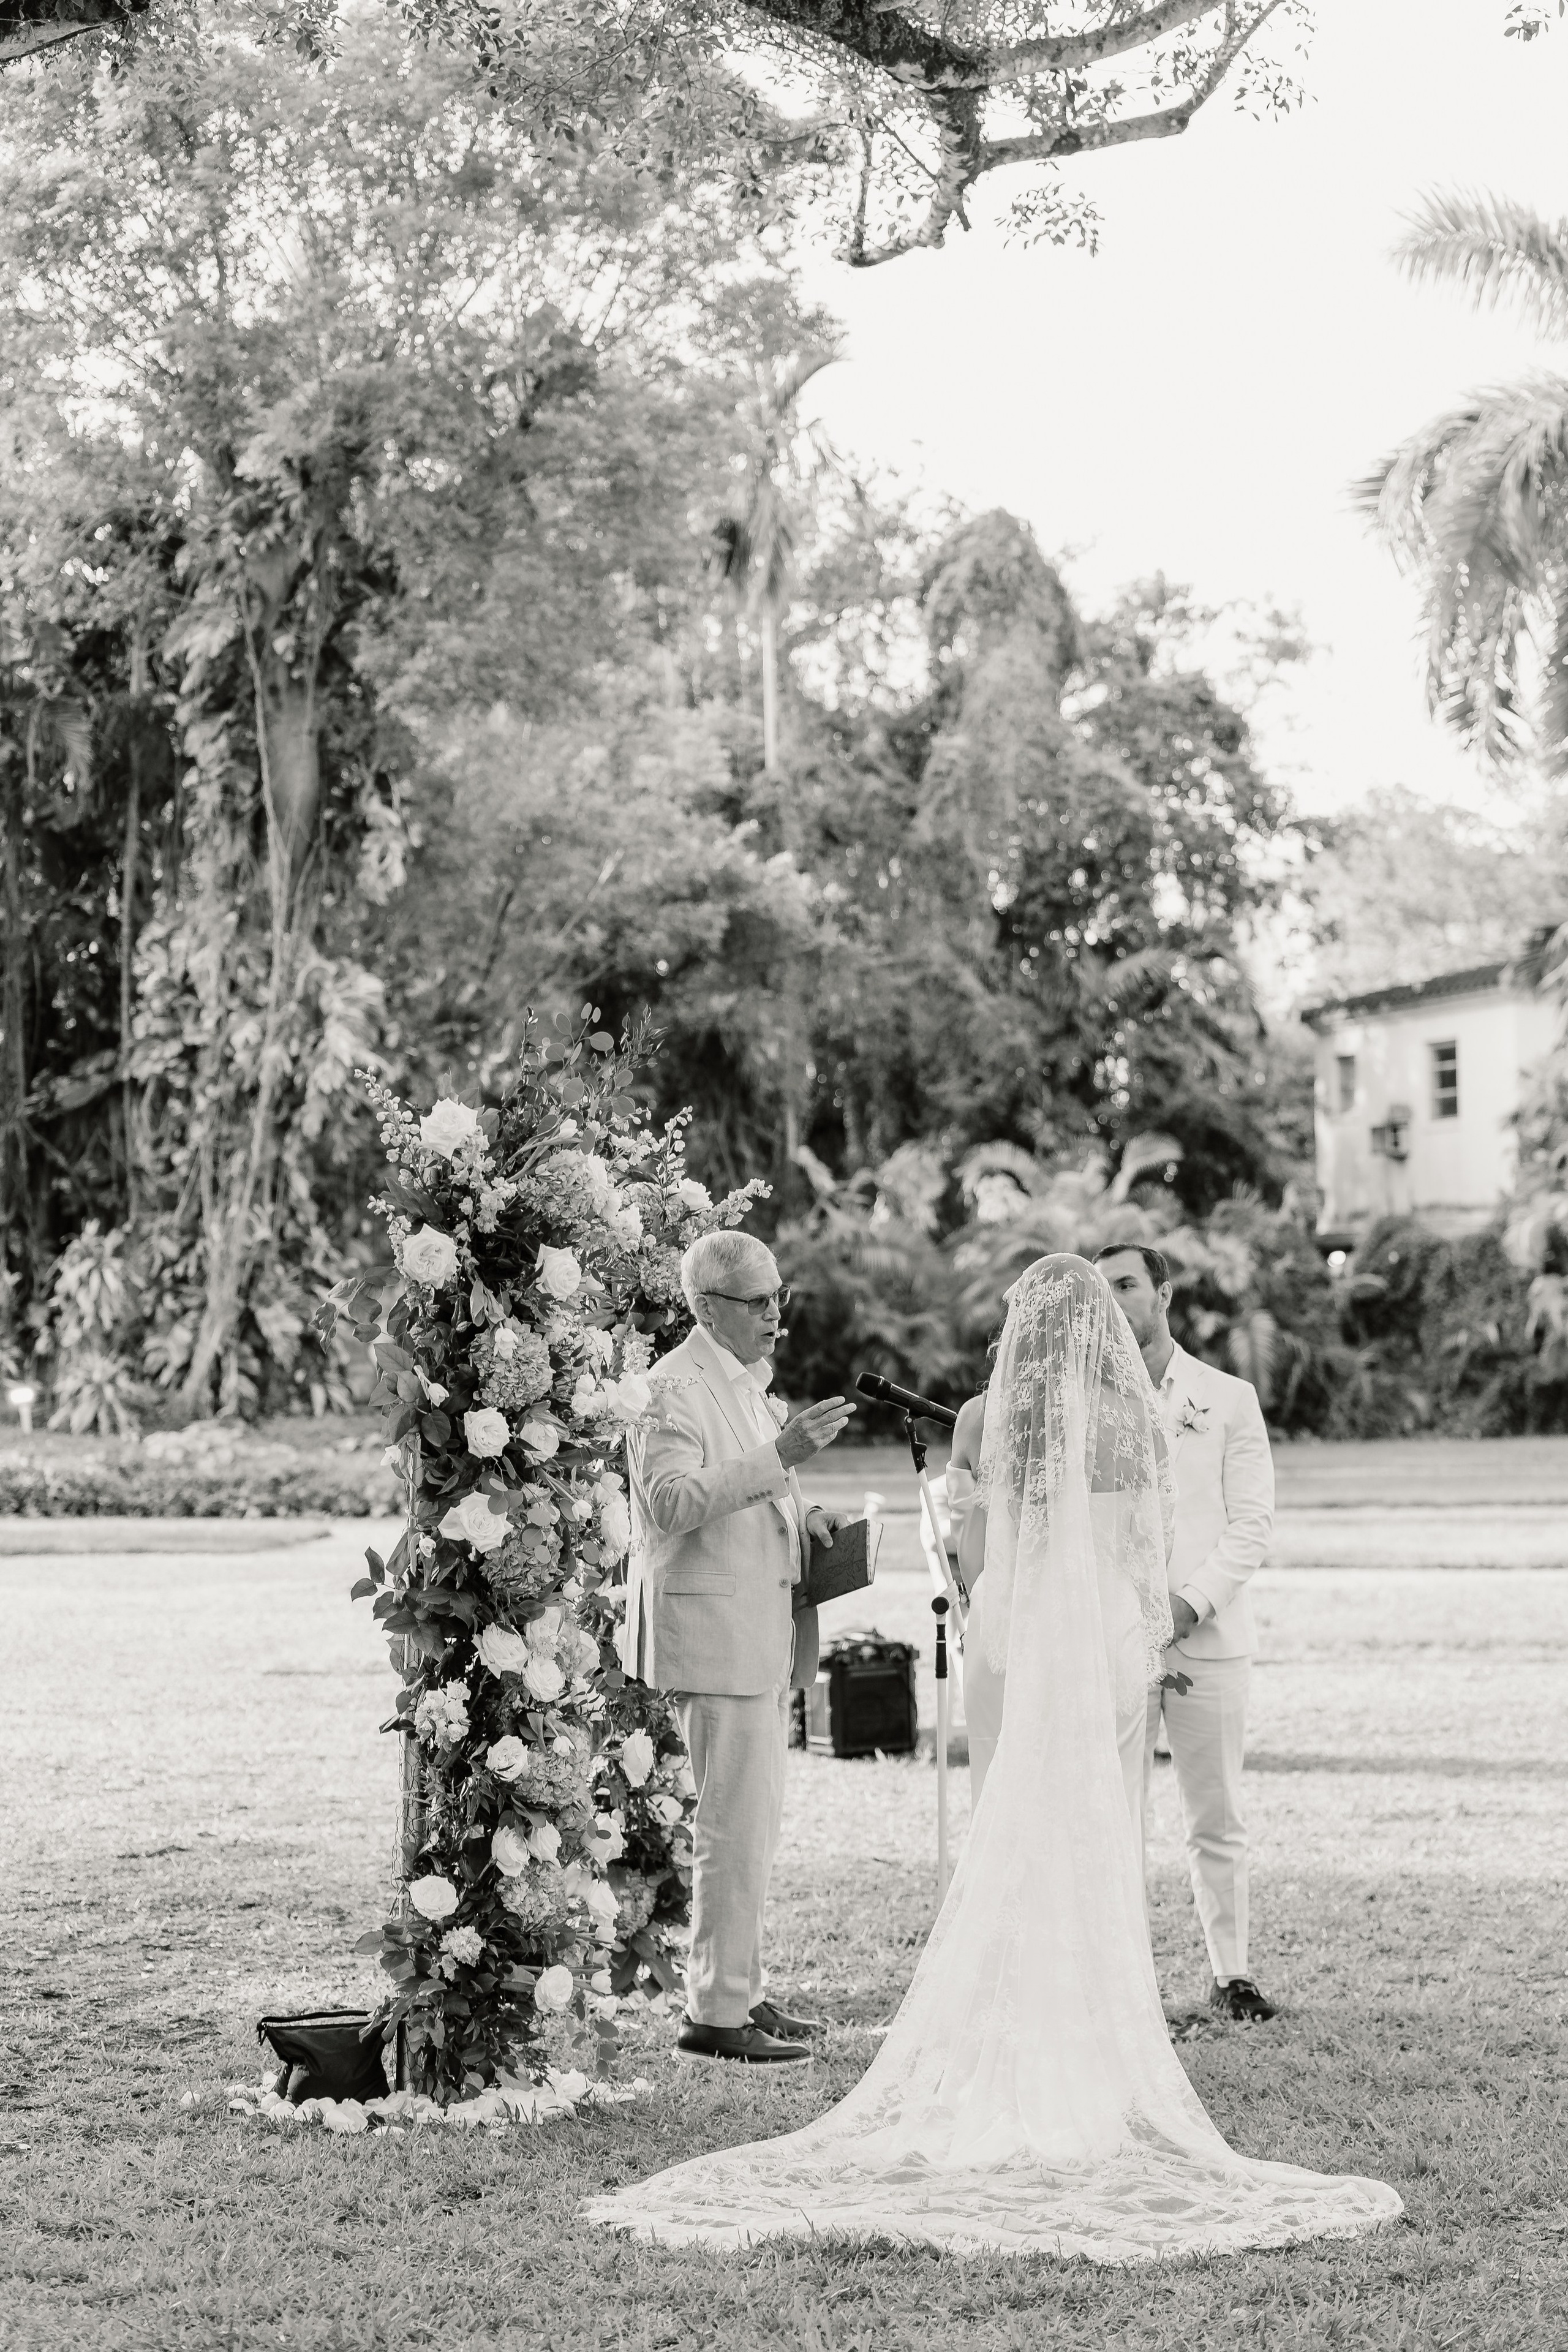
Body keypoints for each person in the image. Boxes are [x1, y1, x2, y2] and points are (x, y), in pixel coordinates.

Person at [587, 1257, 1402, 2258]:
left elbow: (969, 1553)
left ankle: (1002, 2011)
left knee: (1016, 1815)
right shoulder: (1135, 1418)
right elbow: (1154, 1541)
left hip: (1016, 1635)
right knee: (1097, 1818)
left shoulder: (983, 1419)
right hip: (1103, 1635)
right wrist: (1149, 1626)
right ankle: (1096, 2014)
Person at [619, 1230, 855, 2065]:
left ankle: (744, 1991)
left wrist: (808, 1515)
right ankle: (716, 2015)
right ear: (707, 1308)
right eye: (757, 1302)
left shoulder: (747, 1387)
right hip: (714, 1632)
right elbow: (672, 1504)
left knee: (752, 1827)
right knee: (729, 1828)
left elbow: (763, 1488)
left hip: (760, 1625)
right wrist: (780, 1456)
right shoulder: (667, 1389)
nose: (774, 1315)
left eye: (778, 1297)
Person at [1093, 1242, 1277, 2024]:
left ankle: (1230, 1973)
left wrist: (1188, 1604)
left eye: (1127, 1285)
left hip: (1207, 1637)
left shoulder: (1227, 1397)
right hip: (1112, 1638)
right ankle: (1118, 1975)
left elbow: (1251, 1525)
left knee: (1216, 1813)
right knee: (1112, 1812)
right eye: (1101, 1293)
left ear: (1164, 1293)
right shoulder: (1082, 1403)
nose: (1114, 1302)